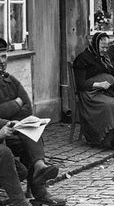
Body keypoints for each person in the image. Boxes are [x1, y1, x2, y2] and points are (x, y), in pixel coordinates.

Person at [0, 39, 66, 206]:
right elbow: (17, 105)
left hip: (12, 130)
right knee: (13, 149)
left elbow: (27, 106)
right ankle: (31, 188)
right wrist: (15, 104)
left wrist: (14, 111)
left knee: (33, 134)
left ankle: (39, 178)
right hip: (4, 133)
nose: (2, 62)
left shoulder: (10, 80)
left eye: (4, 56)